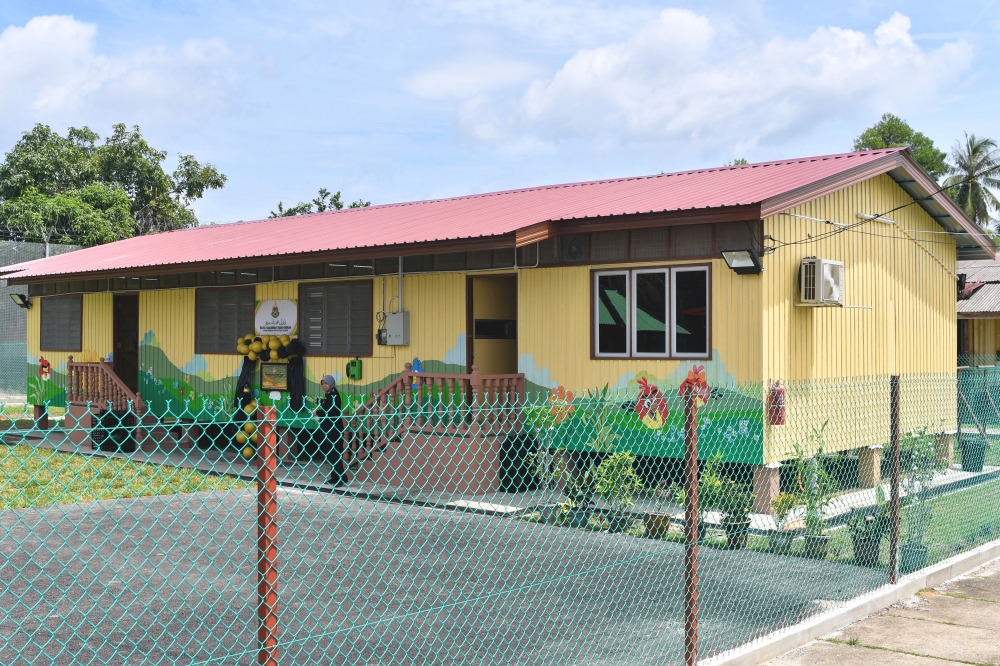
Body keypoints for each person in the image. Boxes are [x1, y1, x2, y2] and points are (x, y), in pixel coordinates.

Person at [317, 375, 347, 486]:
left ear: (331, 383)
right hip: (329, 429)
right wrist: (319, 401)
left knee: (335, 453)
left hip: (334, 429)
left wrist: (318, 413)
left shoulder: (334, 395)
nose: (324, 386)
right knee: (331, 454)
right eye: (322, 384)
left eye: (326, 383)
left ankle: (341, 477)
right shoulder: (330, 394)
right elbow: (327, 405)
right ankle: (335, 477)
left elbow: (331, 410)